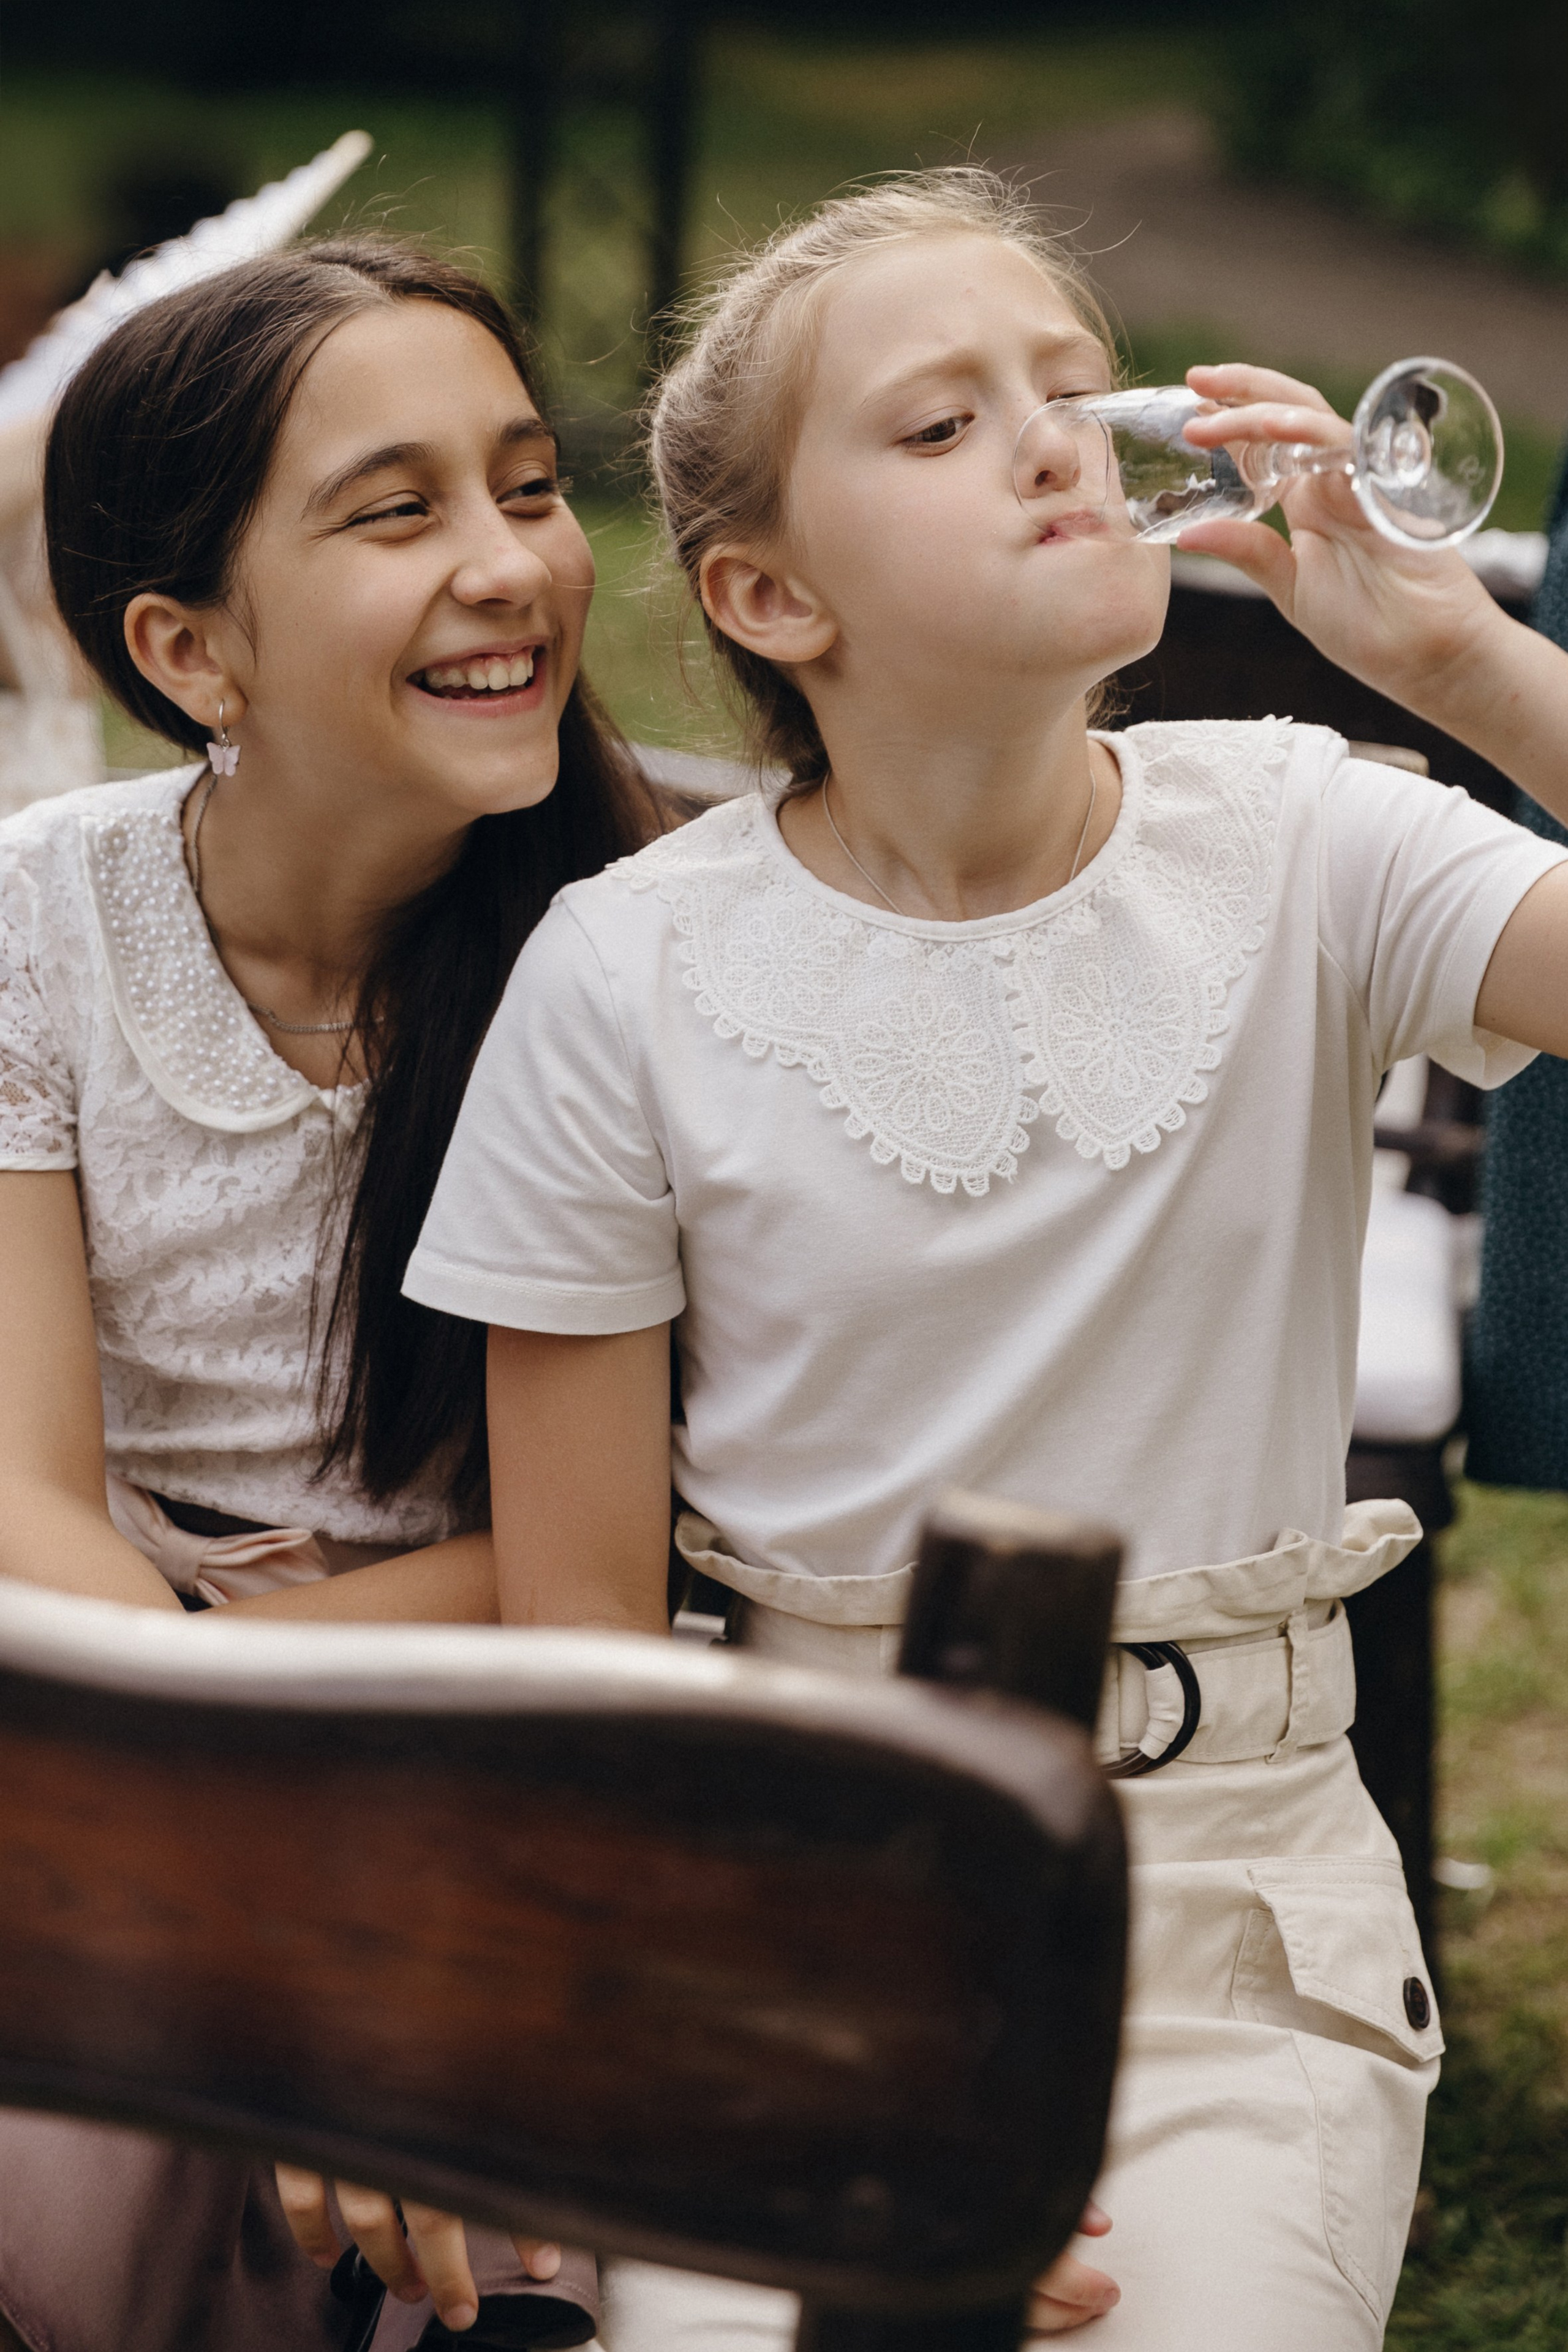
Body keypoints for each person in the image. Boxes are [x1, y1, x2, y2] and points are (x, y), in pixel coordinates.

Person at [405, 170, 1568, 2349]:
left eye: (1075, 385)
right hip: (783, 1911)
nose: (1058, 442)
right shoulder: (624, 971)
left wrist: (1470, 663)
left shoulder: (1309, 834)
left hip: (1230, 1922)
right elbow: (586, 1662)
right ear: (768, 594)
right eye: (942, 424)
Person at [0, 235, 655, 2352]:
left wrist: (240, 1697)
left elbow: (605, 1560)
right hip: (111, 1666)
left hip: (511, 1695)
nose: (510, 566)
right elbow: (22, 1493)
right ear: (191, 649)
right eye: (398, 512)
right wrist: (214, 1755)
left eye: (529, 486)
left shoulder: (647, 948)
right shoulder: (43, 919)